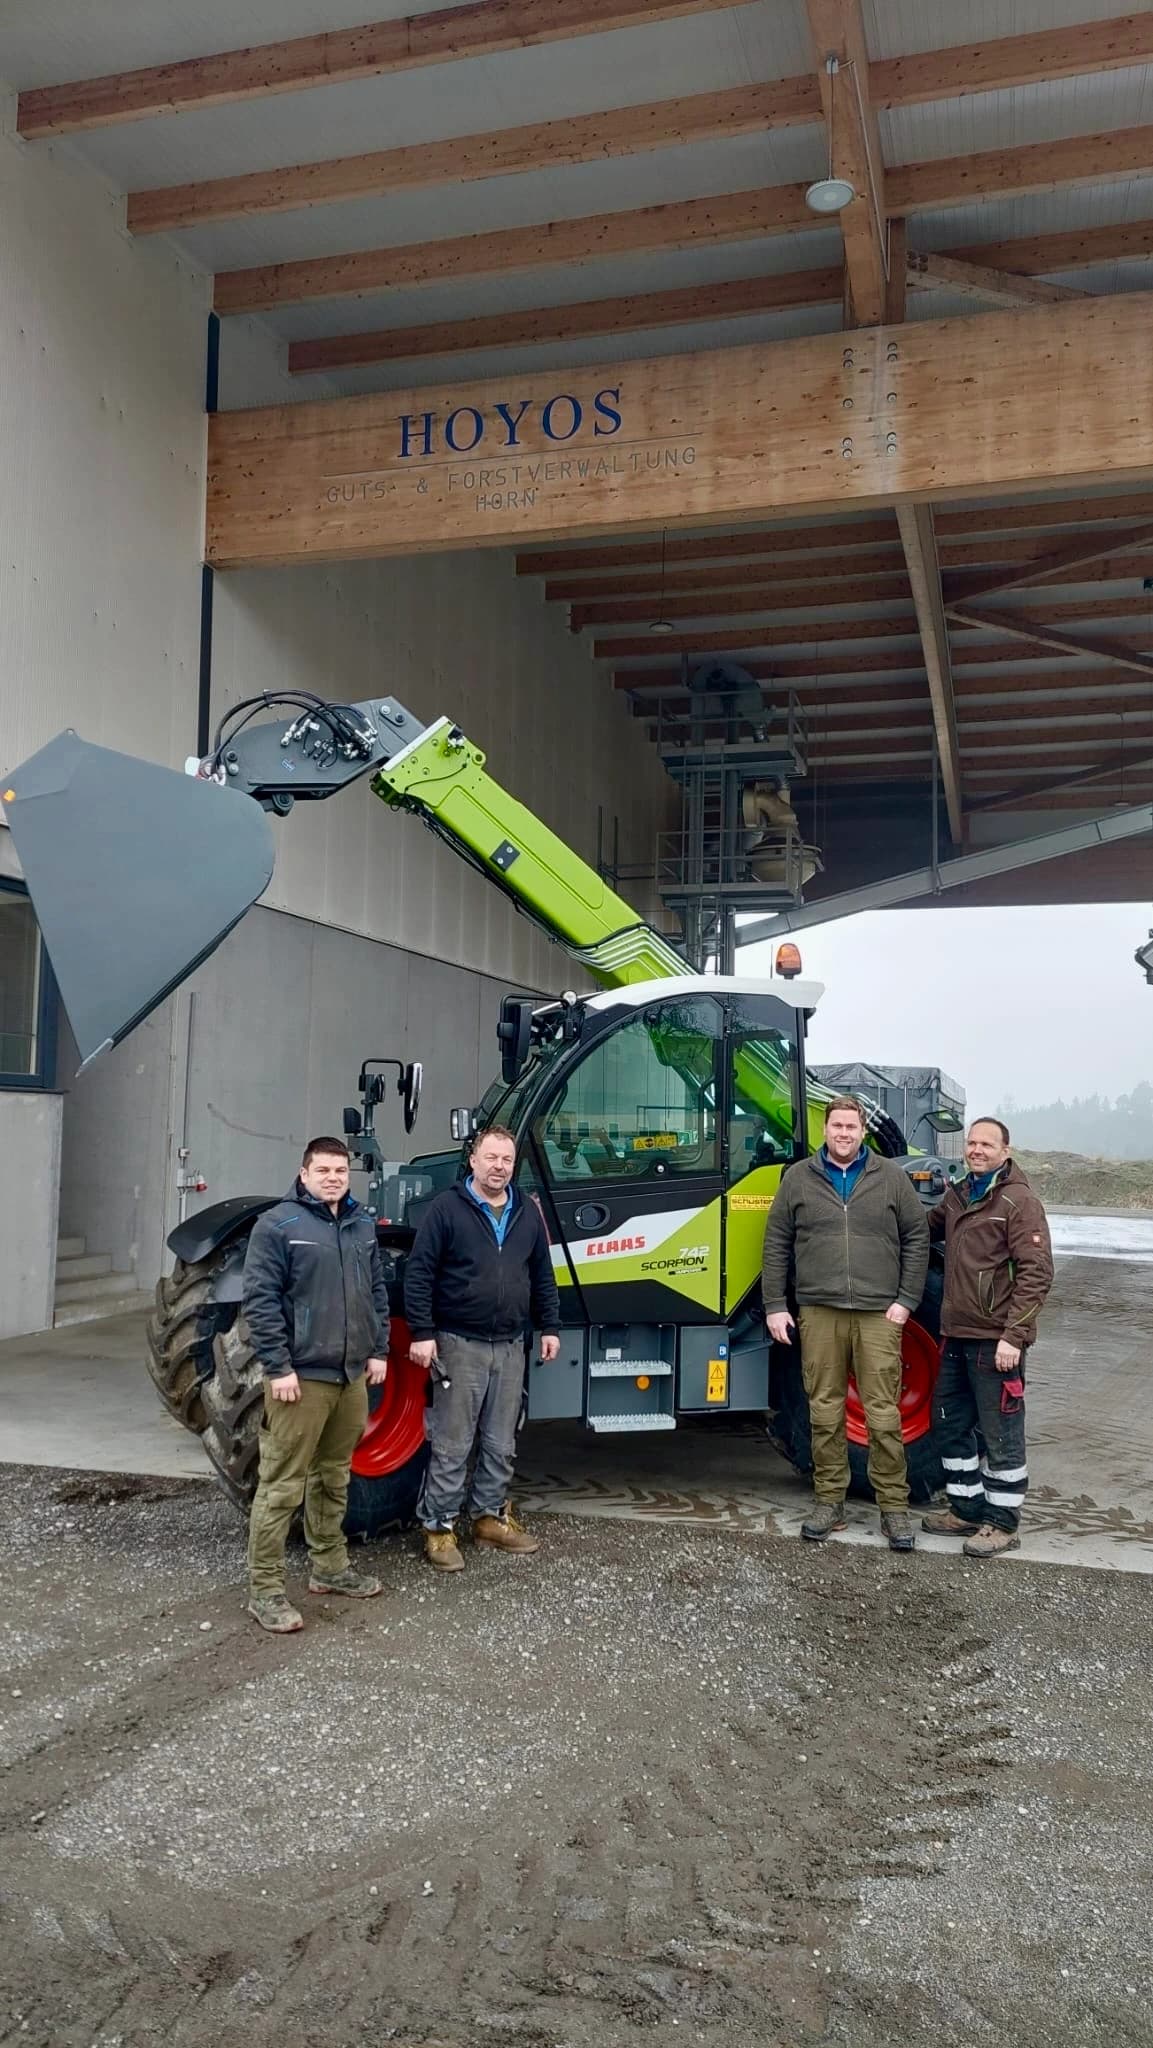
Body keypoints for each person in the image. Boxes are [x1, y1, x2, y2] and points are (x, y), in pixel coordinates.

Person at [762, 1095, 930, 1551]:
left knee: (882, 1412)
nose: (843, 1134)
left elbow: (918, 1236)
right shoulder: (799, 1178)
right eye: (836, 1126)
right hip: (819, 1312)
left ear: (862, 1132)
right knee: (825, 1410)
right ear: (826, 1130)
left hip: (879, 1313)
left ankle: (894, 1508)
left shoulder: (892, 1178)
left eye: (851, 1127)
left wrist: (906, 1301)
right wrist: (776, 1304)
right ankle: (829, 1501)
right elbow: (776, 1241)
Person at [242, 1136, 390, 1632]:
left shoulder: (361, 1225)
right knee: (282, 1485)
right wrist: (278, 1366)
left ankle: (329, 1568)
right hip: (300, 1380)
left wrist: (379, 1350)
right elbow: (260, 1302)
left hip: (350, 1377)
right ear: (303, 1174)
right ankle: (265, 1591)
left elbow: (376, 1293)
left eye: (340, 1171)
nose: (332, 1177)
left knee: (334, 1476)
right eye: (322, 1170)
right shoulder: (277, 1226)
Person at [404, 1125, 561, 1571]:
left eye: (506, 1160)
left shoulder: (526, 1213)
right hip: (459, 1344)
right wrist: (421, 1331)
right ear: (473, 1160)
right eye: (490, 1158)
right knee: (452, 1443)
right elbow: (420, 1274)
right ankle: (438, 1529)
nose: (498, 1167)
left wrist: (549, 1325)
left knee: (499, 1441)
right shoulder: (446, 1209)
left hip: (510, 1346)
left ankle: (490, 1519)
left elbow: (542, 1275)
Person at [922, 1116, 1054, 1558]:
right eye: (972, 1143)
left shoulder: (1018, 1202)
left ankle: (1002, 1522)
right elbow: (924, 1230)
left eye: (986, 1144)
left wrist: (1014, 1337)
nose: (976, 1150)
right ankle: (966, 1508)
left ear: (1005, 1150)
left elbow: (1037, 1274)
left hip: (995, 1341)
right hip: (955, 1336)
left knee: (1001, 1432)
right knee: (951, 1424)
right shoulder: (960, 1195)